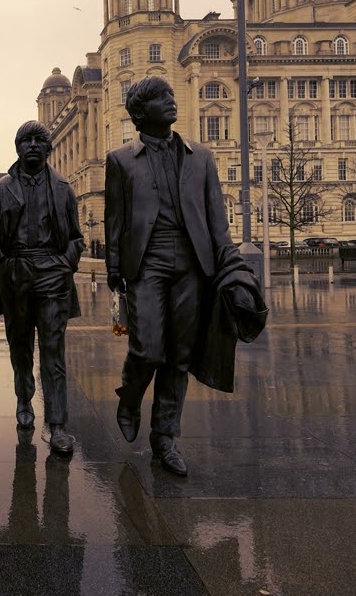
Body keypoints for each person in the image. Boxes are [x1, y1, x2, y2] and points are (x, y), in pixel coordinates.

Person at [105, 75, 236, 478]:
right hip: (147, 261)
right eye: (161, 97)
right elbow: (116, 220)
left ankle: (165, 438)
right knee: (148, 349)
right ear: (142, 112)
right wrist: (114, 269)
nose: (171, 100)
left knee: (179, 354)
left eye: (170, 94)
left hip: (193, 263)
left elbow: (217, 218)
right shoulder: (121, 160)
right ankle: (129, 396)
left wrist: (228, 262)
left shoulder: (201, 157)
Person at [0, 121, 84, 454]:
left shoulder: (63, 188)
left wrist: (65, 262)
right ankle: (24, 398)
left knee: (54, 352)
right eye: (25, 140)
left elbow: (76, 238)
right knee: (20, 346)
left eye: (39, 140)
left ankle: (57, 424)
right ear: (17, 147)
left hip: (52, 275)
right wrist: (3, 264)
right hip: (16, 274)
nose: (32, 146)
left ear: (48, 147)